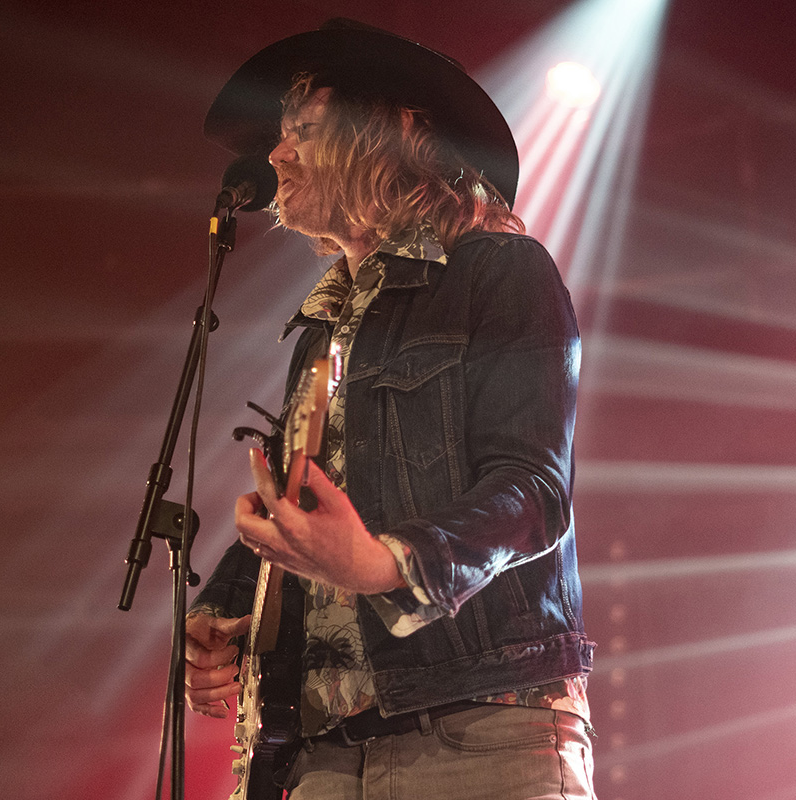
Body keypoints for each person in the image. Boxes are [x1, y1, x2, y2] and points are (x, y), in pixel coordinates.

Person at [184, 19, 594, 799]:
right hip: (320, 751)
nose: (276, 155)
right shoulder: (324, 327)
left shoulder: (502, 273)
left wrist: (387, 565)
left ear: (391, 136)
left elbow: (534, 491)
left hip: (479, 728)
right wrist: (227, 608)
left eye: (303, 130)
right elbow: (321, 511)